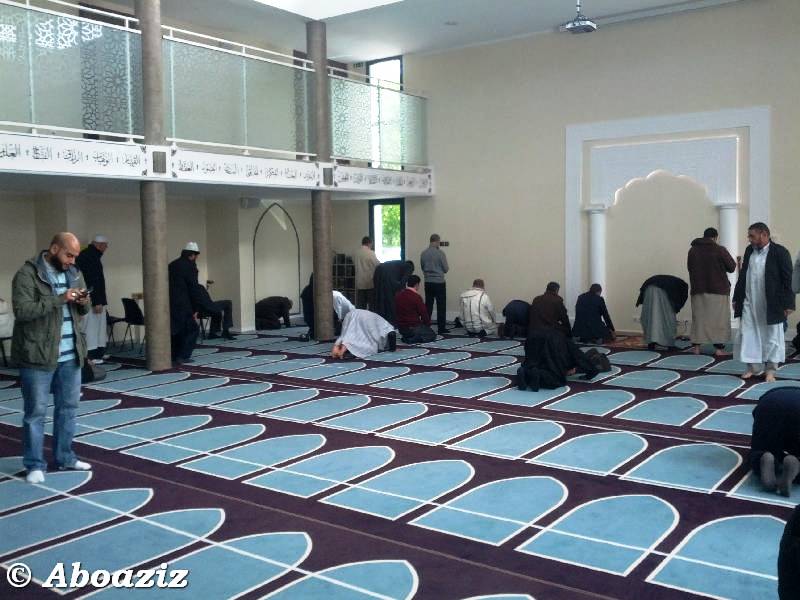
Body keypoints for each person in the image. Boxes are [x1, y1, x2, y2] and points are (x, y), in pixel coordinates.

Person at [12, 232, 92, 484]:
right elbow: (23, 311)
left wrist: (83, 300)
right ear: (54, 249)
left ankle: (65, 457)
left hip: (71, 355)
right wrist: (60, 298)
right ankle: (34, 464)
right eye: (69, 255)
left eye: (75, 256)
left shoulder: (74, 273)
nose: (72, 261)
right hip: (38, 356)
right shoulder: (27, 274)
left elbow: (84, 309)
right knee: (35, 413)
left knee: (68, 409)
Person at [733, 222, 794, 382]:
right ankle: (753, 368)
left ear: (764, 235)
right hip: (750, 302)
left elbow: (788, 280)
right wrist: (737, 298)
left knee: (772, 337)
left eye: (752, 236)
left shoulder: (780, 252)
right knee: (748, 334)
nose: (749, 239)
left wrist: (788, 303)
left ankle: (770, 370)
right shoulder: (749, 251)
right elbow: (743, 275)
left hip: (772, 304)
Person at [687, 227, 736, 356]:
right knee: (719, 320)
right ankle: (719, 349)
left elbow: (689, 268)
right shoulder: (719, 249)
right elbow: (732, 267)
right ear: (715, 237)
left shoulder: (692, 250)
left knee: (699, 319)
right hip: (718, 289)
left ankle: (696, 348)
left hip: (698, 289)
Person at [749, 387, 800, 497]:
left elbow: (755, 413)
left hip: (768, 404)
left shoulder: (778, 391)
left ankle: (763, 457)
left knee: (761, 448)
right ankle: (796, 464)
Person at [517, 328, 601, 391]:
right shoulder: (564, 341)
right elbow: (580, 357)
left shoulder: (559, 336)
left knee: (532, 365)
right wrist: (591, 372)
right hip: (552, 343)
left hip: (533, 337)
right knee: (555, 378)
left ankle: (525, 371)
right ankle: (539, 374)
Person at [75, 234, 109, 363]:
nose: (106, 248)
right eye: (105, 246)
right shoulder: (90, 257)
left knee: (98, 328)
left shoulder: (90, 255)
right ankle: (91, 355)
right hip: (92, 300)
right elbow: (92, 281)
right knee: (91, 328)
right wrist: (97, 301)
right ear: (99, 245)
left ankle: (98, 353)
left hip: (92, 299)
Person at [168, 242, 202, 364]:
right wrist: (195, 308)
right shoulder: (190, 267)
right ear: (192, 255)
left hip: (170, 303)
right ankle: (183, 355)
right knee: (192, 330)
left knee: (176, 331)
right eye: (196, 256)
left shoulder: (172, 265)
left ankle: (173, 355)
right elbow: (193, 288)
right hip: (184, 304)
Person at [636, 274, 688, 351]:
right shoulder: (683, 287)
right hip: (663, 290)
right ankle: (669, 345)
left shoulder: (676, 283)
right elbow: (679, 302)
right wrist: (676, 309)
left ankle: (651, 343)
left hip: (648, 288)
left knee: (649, 317)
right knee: (669, 320)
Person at [331, 309, 396, 359]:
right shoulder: (389, 327)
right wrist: (385, 348)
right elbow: (389, 334)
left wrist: (337, 343)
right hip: (366, 317)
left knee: (346, 333)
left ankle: (337, 349)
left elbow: (344, 333)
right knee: (369, 343)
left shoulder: (381, 321)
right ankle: (342, 351)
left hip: (351, 313)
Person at [420, 234, 450, 334]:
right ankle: (441, 328)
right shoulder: (440, 253)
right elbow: (446, 269)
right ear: (437, 241)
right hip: (439, 282)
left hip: (428, 282)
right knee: (441, 305)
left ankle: (426, 326)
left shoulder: (424, 253)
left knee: (428, 305)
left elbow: (422, 267)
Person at [394, 275, 436, 344]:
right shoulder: (416, 297)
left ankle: (408, 337)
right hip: (413, 327)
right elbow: (424, 314)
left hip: (401, 328)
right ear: (417, 284)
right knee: (431, 334)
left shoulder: (398, 295)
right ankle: (412, 339)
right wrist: (427, 326)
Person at [354, 236, 380, 310]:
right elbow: (377, 265)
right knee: (372, 306)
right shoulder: (370, 253)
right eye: (371, 244)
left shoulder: (356, 253)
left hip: (359, 283)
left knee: (360, 306)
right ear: (369, 243)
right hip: (369, 283)